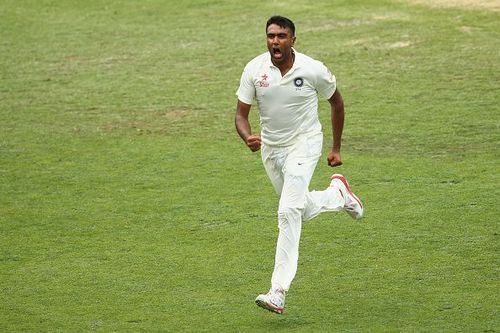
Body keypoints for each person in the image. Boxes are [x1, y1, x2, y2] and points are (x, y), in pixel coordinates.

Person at [234, 15, 364, 314]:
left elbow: (337, 103)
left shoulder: (313, 69)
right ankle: (339, 195)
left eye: (281, 36)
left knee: (287, 211)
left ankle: (278, 290)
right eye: (270, 36)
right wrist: (247, 137)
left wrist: (335, 147)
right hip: (271, 149)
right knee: (300, 209)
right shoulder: (254, 69)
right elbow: (240, 115)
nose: (275, 41)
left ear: (293, 39)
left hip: (304, 144)